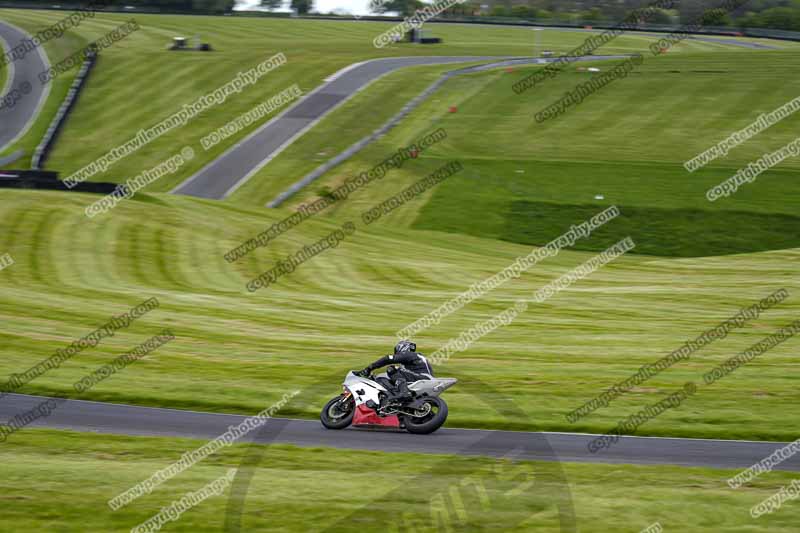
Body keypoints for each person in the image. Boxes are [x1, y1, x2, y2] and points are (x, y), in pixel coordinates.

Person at [356, 340, 433, 401]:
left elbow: (387, 359)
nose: (396, 353)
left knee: (392, 369)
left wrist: (369, 368)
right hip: (423, 378)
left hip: (422, 378)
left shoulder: (409, 354)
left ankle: (404, 392)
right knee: (396, 373)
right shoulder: (416, 357)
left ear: (402, 347)